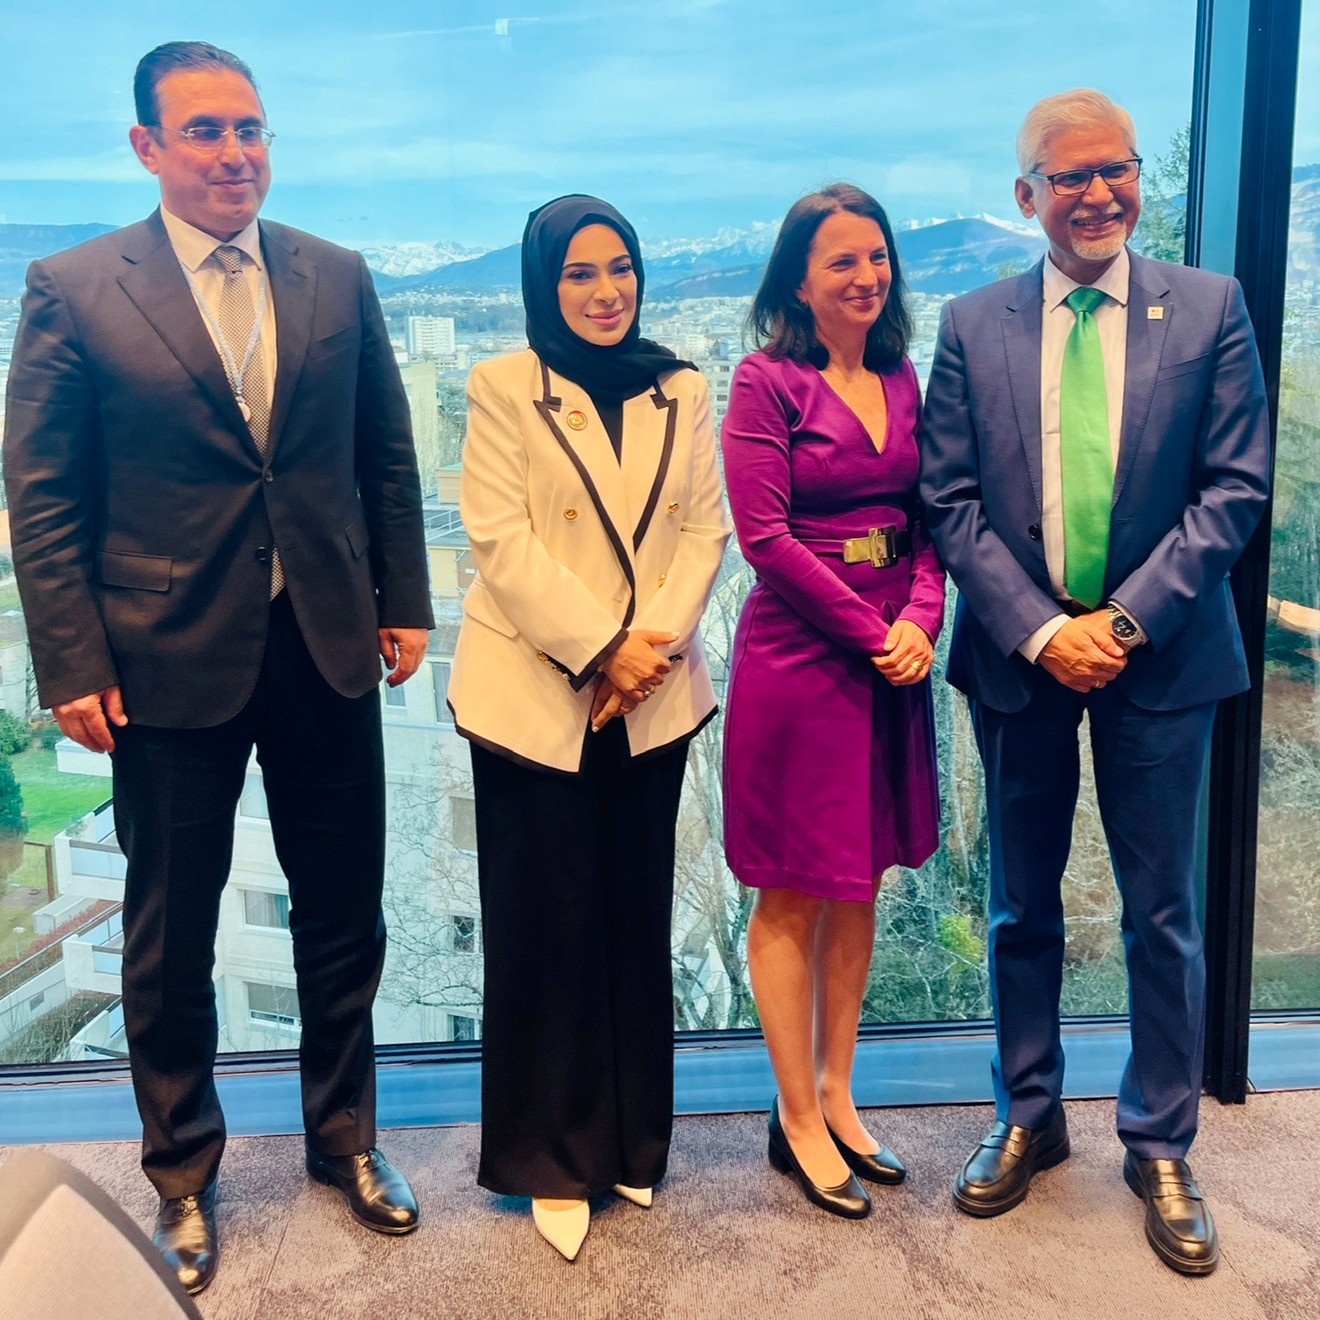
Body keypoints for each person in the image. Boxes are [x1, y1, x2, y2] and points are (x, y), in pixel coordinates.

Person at [2, 42, 434, 1294]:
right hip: (159, 660)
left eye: (251, 128)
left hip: (326, 645)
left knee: (343, 913)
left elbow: (386, 458)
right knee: (169, 926)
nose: (235, 152)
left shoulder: (335, 275)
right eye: (205, 132)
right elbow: (44, 496)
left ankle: (345, 1141)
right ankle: (182, 1172)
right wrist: (70, 660)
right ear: (147, 148)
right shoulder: (75, 286)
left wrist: (400, 602)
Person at [919, 89, 1271, 1275]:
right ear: (1027, 197)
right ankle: (1029, 1112)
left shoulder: (1211, 306)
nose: (1097, 193)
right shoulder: (972, 324)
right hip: (1023, 662)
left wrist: (1119, 622)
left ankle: (1160, 1137)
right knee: (1020, 903)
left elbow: (1234, 490)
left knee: (1161, 910)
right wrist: (1037, 630)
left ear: (1136, 179)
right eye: (1068, 177)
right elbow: (950, 503)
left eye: (1113, 170)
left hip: (1160, 657)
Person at [447, 194, 730, 1261]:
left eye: (620, 268)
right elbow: (501, 540)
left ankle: (627, 1143)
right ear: (540, 284)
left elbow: (704, 530)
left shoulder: (683, 387)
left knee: (629, 919)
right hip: (539, 689)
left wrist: (646, 651)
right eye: (579, 274)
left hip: (650, 695)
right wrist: (603, 646)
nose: (606, 291)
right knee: (542, 930)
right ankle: (549, 1160)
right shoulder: (501, 385)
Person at [721, 184, 945, 1220]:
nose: (865, 276)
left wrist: (924, 622)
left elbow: (935, 513)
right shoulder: (764, 383)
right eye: (841, 261)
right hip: (806, 660)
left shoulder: (904, 375)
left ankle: (839, 1095)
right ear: (798, 279)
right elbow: (764, 540)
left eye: (877, 257)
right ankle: (794, 1117)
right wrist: (875, 631)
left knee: (860, 883)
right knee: (794, 890)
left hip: (896, 648)